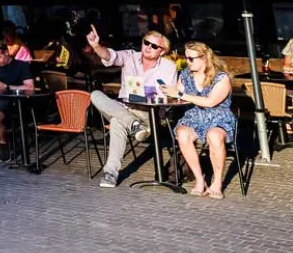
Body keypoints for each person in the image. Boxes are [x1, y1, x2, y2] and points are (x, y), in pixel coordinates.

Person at [87, 25, 177, 188]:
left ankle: (110, 173)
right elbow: (109, 56)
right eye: (146, 43)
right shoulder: (130, 57)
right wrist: (95, 46)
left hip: (148, 114)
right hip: (124, 107)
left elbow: (167, 95)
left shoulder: (168, 67)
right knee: (95, 95)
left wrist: (144, 93)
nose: (148, 47)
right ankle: (132, 124)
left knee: (116, 122)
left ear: (162, 51)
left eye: (154, 46)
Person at [162, 42, 236, 198]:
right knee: (182, 133)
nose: (187, 62)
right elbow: (178, 97)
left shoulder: (222, 77)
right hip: (193, 116)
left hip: (218, 117)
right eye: (186, 57)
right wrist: (168, 94)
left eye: (191, 58)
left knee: (214, 136)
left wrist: (180, 95)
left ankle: (217, 182)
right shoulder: (185, 75)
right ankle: (199, 179)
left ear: (204, 58)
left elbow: (210, 102)